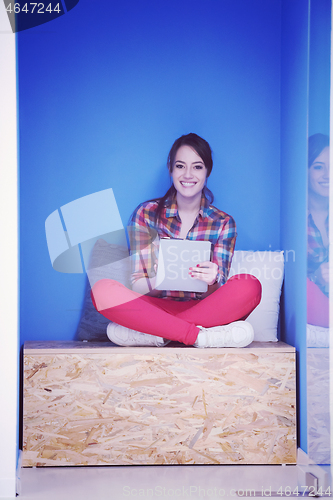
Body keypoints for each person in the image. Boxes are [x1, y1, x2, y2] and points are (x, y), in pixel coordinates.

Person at [91, 133, 262, 347]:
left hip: (203, 310)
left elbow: (220, 294)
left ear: (208, 171)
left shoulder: (224, 223)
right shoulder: (146, 214)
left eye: (197, 167)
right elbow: (138, 286)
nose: (188, 174)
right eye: (181, 166)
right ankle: (196, 336)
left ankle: (156, 333)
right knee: (102, 290)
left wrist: (213, 280)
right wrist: (159, 277)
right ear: (171, 169)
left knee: (249, 285)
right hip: (155, 307)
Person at [307, 133, 329, 328]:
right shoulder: (297, 220)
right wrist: (317, 278)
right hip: (314, 301)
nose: (328, 175)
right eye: (318, 167)